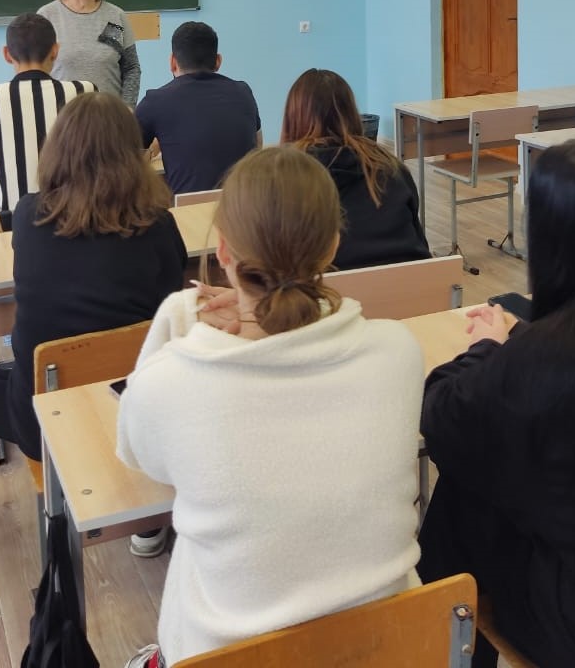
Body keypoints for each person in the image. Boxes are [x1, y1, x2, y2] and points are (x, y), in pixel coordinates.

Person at [117, 146, 424, 667]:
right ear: (333, 245)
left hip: (227, 655)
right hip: (388, 648)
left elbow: (137, 456)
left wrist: (181, 324)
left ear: (222, 251)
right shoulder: (399, 351)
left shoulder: (171, 382)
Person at [417, 139, 575, 667]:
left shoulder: (544, 361)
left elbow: (441, 417)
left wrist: (487, 350)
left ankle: (443, 649)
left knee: (463, 489)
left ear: (553, 241)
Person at [8, 92, 187, 463]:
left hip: (42, 426)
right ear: (131, 154)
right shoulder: (157, 224)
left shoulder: (27, 215)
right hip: (137, 418)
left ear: (57, 149)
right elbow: (172, 303)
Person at [280, 68, 430, 270]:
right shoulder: (391, 166)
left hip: (325, 288)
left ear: (292, 117)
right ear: (351, 113)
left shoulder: (280, 176)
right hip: (415, 283)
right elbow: (417, 236)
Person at [0, 13, 95, 212]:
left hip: (10, 227)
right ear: (55, 51)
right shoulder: (84, 92)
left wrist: (6, 167)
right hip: (76, 222)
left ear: (7, 54)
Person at [135, 21, 262, 194]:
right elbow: (257, 147)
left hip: (187, 208)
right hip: (243, 203)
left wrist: (153, 149)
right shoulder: (243, 92)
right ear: (218, 61)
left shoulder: (154, 101)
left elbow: (128, 163)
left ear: (172, 62)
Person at [38, 0, 141, 106]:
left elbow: (131, 68)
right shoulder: (47, 17)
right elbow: (37, 70)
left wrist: (127, 108)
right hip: (63, 116)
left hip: (109, 114)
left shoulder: (114, 17)